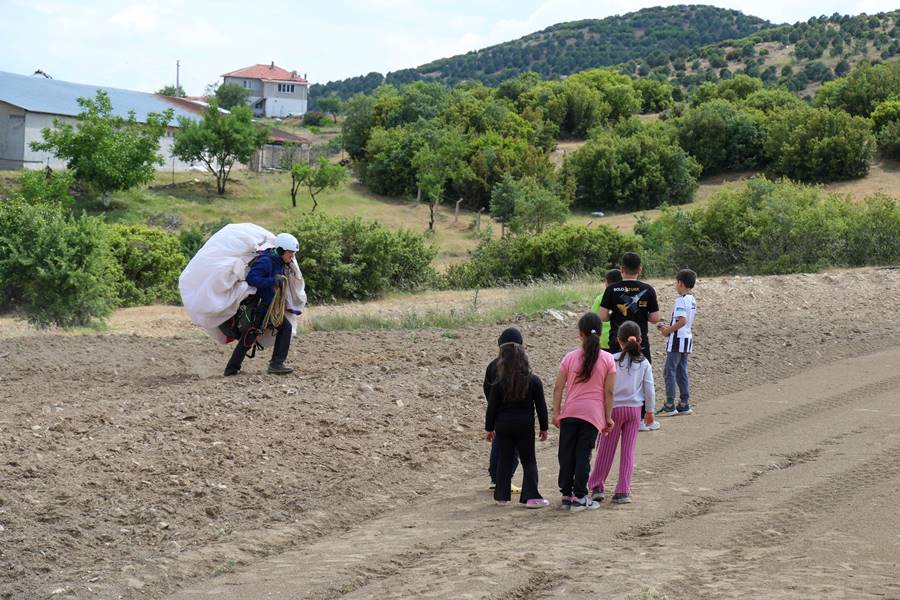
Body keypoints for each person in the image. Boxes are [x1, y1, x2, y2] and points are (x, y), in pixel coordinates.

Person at [551, 312, 616, 512]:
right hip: (592, 415)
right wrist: (608, 417)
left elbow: (558, 387)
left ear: (580, 334)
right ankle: (580, 496)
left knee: (566, 453)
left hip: (570, 412)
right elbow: (609, 392)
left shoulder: (570, 357)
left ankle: (566, 494)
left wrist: (556, 412)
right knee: (583, 454)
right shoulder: (607, 359)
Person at [588, 321, 655, 505]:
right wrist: (649, 411)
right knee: (628, 451)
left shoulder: (611, 359)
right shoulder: (644, 363)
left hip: (614, 409)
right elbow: (649, 389)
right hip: (634, 411)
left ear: (619, 340)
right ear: (640, 341)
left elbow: (603, 387)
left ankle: (597, 486)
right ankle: (623, 490)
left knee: (605, 450)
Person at [597, 252, 661, 432]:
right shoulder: (648, 289)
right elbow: (655, 317)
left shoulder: (612, 289)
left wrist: (615, 314)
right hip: (641, 342)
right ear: (640, 269)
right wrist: (643, 314)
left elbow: (602, 316)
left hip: (617, 340)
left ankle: (611, 415)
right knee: (641, 378)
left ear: (621, 269)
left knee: (613, 377)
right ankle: (640, 418)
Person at [485, 337, 550, 508]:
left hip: (503, 426)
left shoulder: (499, 382)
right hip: (525, 425)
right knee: (529, 460)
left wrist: (489, 428)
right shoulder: (533, 380)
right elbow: (541, 407)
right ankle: (531, 497)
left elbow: (492, 407)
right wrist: (544, 428)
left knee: (504, 460)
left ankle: (501, 497)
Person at [224, 233, 300, 377]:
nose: (292, 256)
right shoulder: (266, 261)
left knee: (285, 328)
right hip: (261, 307)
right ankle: (231, 369)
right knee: (250, 336)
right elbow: (252, 278)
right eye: (290, 252)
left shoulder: (281, 263)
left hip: (271, 307)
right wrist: (272, 281)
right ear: (281, 250)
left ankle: (276, 364)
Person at [656, 269, 698, 416]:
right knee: (681, 370)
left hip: (677, 340)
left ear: (680, 283)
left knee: (669, 371)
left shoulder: (680, 299)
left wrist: (667, 331)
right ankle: (684, 403)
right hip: (687, 338)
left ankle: (669, 404)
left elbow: (682, 320)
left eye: (676, 282)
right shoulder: (692, 299)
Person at [591, 268, 623, 353]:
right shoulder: (625, 298)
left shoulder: (600, 298)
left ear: (606, 283)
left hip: (602, 340)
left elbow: (593, 319)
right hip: (621, 338)